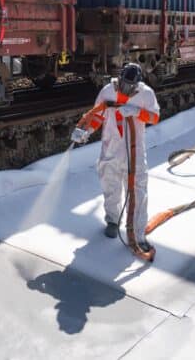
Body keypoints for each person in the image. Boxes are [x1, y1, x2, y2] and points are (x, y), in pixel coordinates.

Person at [71, 63, 161, 260]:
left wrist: (137, 112)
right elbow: (97, 115)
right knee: (110, 186)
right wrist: (85, 132)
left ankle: (137, 234)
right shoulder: (107, 91)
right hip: (111, 147)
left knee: (137, 191)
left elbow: (155, 117)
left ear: (138, 84)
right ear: (119, 79)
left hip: (134, 151)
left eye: (131, 86)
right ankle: (112, 220)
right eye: (124, 84)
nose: (127, 89)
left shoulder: (146, 94)